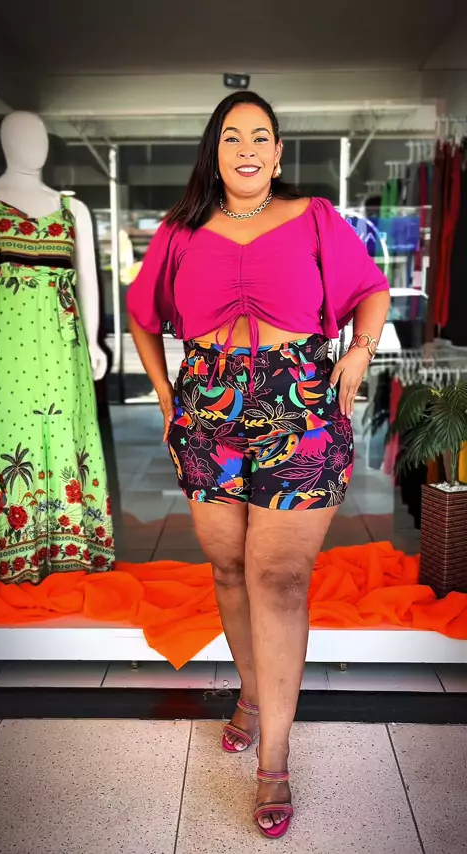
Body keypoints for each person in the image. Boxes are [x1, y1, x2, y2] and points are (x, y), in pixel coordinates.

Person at [127, 91, 390, 840]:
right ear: (215, 152)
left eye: (261, 137)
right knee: (227, 569)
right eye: (232, 136)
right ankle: (251, 691)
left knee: (278, 576)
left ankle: (274, 756)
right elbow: (143, 313)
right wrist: (165, 393)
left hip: (299, 401)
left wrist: (359, 353)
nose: (247, 148)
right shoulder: (180, 231)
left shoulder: (315, 218)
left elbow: (370, 292)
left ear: (277, 155)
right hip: (208, 407)